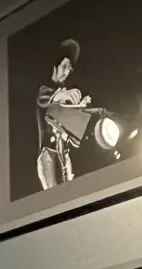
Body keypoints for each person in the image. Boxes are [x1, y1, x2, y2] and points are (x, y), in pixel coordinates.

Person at [36, 40, 90, 190]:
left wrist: (81, 106)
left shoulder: (63, 95)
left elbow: (72, 125)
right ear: (55, 67)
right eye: (64, 66)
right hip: (50, 155)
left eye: (69, 69)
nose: (66, 72)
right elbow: (48, 100)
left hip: (64, 154)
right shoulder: (45, 90)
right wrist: (65, 94)